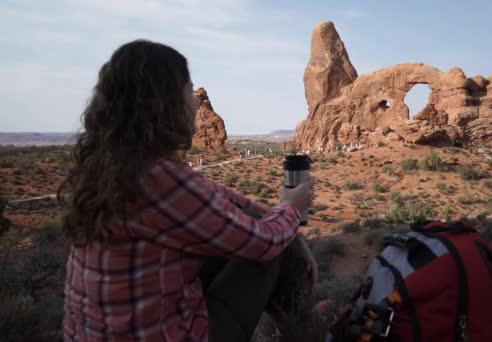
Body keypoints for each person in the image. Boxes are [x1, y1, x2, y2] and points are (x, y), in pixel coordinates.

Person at [58, 40, 316, 341]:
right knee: (273, 250)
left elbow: (218, 196)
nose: (195, 104)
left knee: (259, 224)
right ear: (164, 101)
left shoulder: (108, 165)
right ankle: (306, 330)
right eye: (188, 91)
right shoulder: (157, 177)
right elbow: (264, 242)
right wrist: (292, 210)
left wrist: (289, 227)